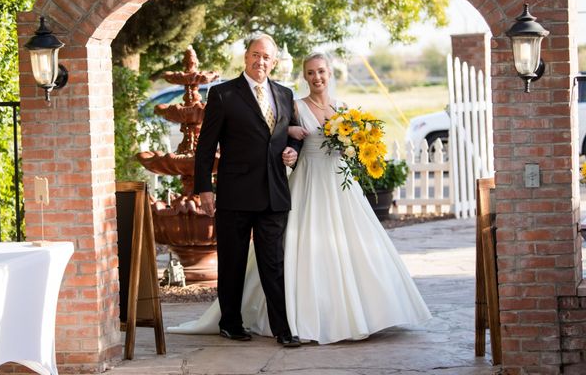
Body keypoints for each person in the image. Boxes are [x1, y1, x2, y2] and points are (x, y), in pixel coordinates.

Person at [174, 52, 431, 345]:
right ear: (305, 76)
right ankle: (272, 320)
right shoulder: (294, 104)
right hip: (307, 183)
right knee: (291, 251)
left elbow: (298, 139)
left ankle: (361, 313)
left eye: (321, 71)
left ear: (330, 73)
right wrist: (291, 148)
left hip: (340, 186)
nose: (316, 77)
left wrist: (357, 148)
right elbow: (281, 135)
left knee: (351, 246)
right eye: (310, 73)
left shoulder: (344, 108)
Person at [193, 33, 303, 347]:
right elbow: (206, 147)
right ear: (245, 56)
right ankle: (230, 322)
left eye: (266, 57)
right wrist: (204, 189)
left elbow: (291, 133)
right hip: (235, 193)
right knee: (233, 261)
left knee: (273, 263)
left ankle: (283, 329)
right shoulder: (223, 94)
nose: (260, 61)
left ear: (274, 61)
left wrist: (292, 150)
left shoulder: (284, 94)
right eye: (255, 54)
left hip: (273, 193)